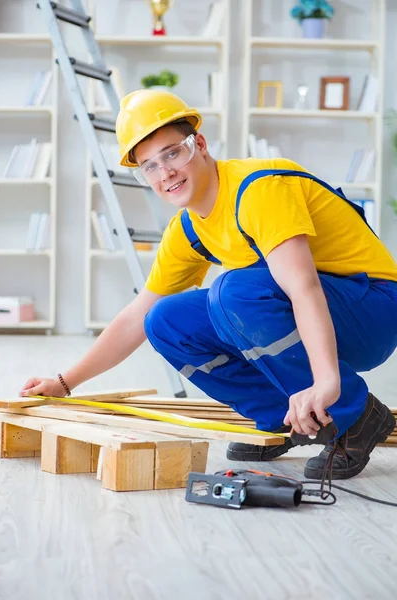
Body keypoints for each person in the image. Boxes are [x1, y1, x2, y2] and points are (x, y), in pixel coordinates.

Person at [20, 89, 397, 480]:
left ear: (199, 144)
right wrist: (64, 383)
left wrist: (328, 382)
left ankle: (355, 416)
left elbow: (304, 288)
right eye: (149, 166)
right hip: (323, 315)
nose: (164, 172)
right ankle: (289, 419)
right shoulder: (187, 228)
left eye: (172, 153)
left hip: (372, 310)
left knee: (234, 292)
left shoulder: (258, 190)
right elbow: (136, 317)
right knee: (165, 319)